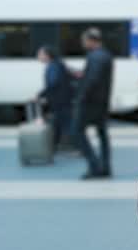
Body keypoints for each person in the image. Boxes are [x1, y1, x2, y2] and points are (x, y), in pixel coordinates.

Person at [71, 27, 113, 179]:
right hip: (101, 103)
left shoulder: (95, 56)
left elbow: (92, 80)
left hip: (90, 103)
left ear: (91, 40)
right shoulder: (105, 55)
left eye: (84, 40)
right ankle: (105, 167)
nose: (83, 43)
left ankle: (94, 166)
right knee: (102, 135)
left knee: (77, 131)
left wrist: (81, 96)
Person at [36, 45, 74, 152]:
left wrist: (40, 95)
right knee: (58, 124)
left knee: (67, 125)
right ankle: (54, 147)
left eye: (40, 54)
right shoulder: (57, 64)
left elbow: (53, 83)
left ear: (47, 55)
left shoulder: (53, 66)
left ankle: (80, 148)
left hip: (61, 101)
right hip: (62, 101)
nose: (38, 56)